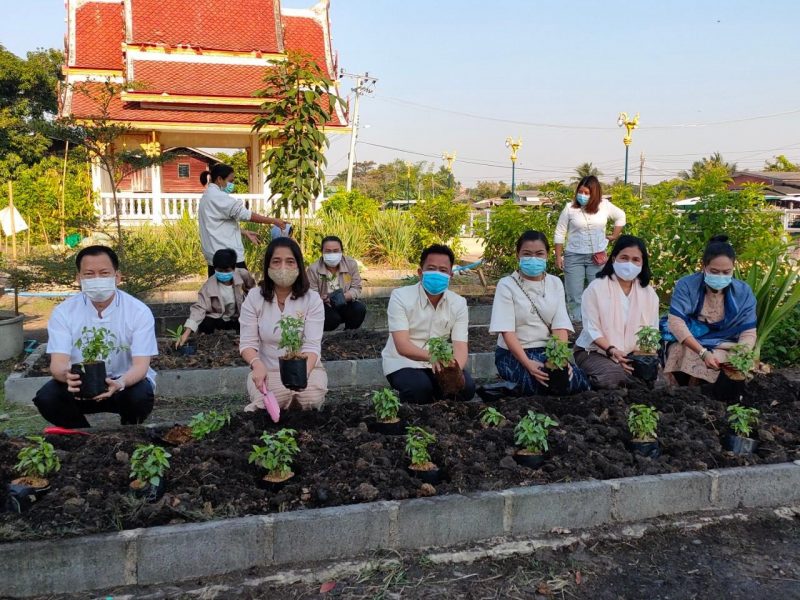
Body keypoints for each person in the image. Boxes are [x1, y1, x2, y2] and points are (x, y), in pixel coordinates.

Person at [32, 245, 158, 427]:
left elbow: (141, 366)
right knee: (48, 397)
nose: (97, 279)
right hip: (79, 385)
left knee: (140, 396)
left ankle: (129, 432)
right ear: (79, 278)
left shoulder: (138, 311)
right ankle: (82, 434)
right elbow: (58, 363)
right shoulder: (64, 312)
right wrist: (67, 376)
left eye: (104, 273)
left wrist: (120, 383)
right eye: (89, 274)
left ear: (117, 277)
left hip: (123, 384)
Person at [489, 231, 590, 395]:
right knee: (538, 384)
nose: (533, 258)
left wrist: (561, 359)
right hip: (514, 354)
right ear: (517, 255)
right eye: (527, 254)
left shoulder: (555, 283)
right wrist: (527, 363)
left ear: (547, 255)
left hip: (547, 351)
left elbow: (560, 326)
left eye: (539, 254)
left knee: (575, 381)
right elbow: (507, 331)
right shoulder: (506, 285)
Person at [239, 237, 327, 410]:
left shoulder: (312, 299)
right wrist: (257, 364)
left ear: (298, 266)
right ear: (268, 266)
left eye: (290, 262)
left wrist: (301, 374)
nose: (283, 267)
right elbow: (247, 343)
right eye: (276, 261)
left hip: (307, 370)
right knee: (268, 404)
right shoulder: (254, 297)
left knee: (309, 399)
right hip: (268, 372)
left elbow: (312, 346)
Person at [382, 244, 476, 403]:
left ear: (451, 275)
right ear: (420, 273)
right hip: (404, 362)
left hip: (440, 364)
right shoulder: (400, 297)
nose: (437, 274)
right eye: (431, 268)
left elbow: (460, 346)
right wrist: (433, 357)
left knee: (466, 388)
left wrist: (454, 370)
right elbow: (402, 345)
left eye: (443, 270)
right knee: (419, 389)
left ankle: (437, 396)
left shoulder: (458, 303)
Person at [664, 235, 757, 385]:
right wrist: (703, 352)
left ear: (733, 268)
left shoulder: (743, 292)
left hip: (727, 344)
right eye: (714, 271)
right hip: (692, 342)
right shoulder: (687, 285)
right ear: (703, 267)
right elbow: (676, 322)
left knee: (727, 366)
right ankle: (686, 392)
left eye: (726, 272)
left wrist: (742, 355)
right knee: (680, 351)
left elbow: (748, 331)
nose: (720, 276)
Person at [573, 235, 659, 389]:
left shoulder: (649, 294)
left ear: (642, 263)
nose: (629, 264)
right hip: (595, 351)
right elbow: (592, 329)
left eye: (635, 260)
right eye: (624, 258)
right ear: (614, 259)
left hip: (633, 353)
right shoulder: (596, 288)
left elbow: (651, 330)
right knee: (613, 376)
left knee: (652, 376)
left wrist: (641, 359)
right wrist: (613, 352)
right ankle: (582, 380)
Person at [554, 175, 626, 321]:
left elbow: (621, 216)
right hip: (574, 256)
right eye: (580, 192)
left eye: (587, 193)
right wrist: (558, 256)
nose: (583, 195)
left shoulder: (604, 206)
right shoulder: (570, 208)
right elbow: (560, 232)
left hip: (597, 257)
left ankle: (596, 323)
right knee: (574, 294)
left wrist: (614, 235)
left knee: (598, 293)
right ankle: (576, 323)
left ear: (595, 193)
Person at [198, 163, 289, 277]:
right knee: (245, 287)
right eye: (230, 181)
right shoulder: (218, 197)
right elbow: (246, 215)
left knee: (219, 288)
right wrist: (274, 221)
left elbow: (215, 225)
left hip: (215, 258)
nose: (232, 185)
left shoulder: (207, 196)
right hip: (228, 259)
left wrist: (243, 232)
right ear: (219, 179)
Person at [176, 248, 256, 347]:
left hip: (238, 316)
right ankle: (211, 341)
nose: (223, 273)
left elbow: (252, 289)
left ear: (234, 268)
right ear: (215, 269)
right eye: (220, 270)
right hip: (219, 318)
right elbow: (199, 307)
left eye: (227, 270)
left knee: (249, 321)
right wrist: (186, 333)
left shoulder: (242, 275)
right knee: (206, 323)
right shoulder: (209, 286)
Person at [307, 236, 367, 331]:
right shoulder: (313, 269)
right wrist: (321, 299)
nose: (332, 254)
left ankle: (349, 334)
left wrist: (343, 297)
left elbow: (356, 288)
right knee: (332, 319)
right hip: (324, 306)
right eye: (328, 251)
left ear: (341, 251)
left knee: (359, 309)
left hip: (345, 301)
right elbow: (311, 294)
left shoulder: (351, 264)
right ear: (321, 252)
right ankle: (321, 336)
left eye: (335, 251)